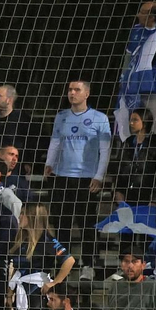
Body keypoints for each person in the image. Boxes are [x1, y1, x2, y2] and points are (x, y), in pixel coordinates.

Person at [44, 79, 111, 272]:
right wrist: (49, 163)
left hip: (86, 179)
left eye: (77, 90)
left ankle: (88, 265)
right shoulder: (61, 116)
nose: (72, 93)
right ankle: (64, 262)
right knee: (61, 223)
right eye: (70, 89)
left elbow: (105, 150)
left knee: (87, 224)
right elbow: (55, 142)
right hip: (62, 177)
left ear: (86, 94)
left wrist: (99, 176)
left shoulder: (99, 118)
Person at [115, 1, 156, 136]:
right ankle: (128, 153)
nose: (138, 15)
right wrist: (123, 77)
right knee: (129, 125)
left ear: (152, 16)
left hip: (154, 87)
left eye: (142, 12)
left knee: (149, 127)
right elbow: (128, 56)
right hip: (132, 86)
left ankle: (148, 154)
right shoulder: (135, 30)